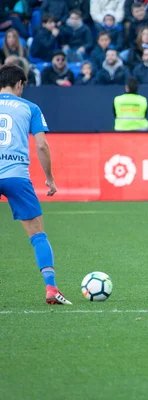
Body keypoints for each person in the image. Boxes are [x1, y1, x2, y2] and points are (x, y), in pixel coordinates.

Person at [0, 64, 71, 305]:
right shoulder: (30, 107)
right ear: (20, 84)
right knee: (38, 236)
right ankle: (51, 288)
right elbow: (41, 145)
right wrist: (49, 178)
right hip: (17, 176)